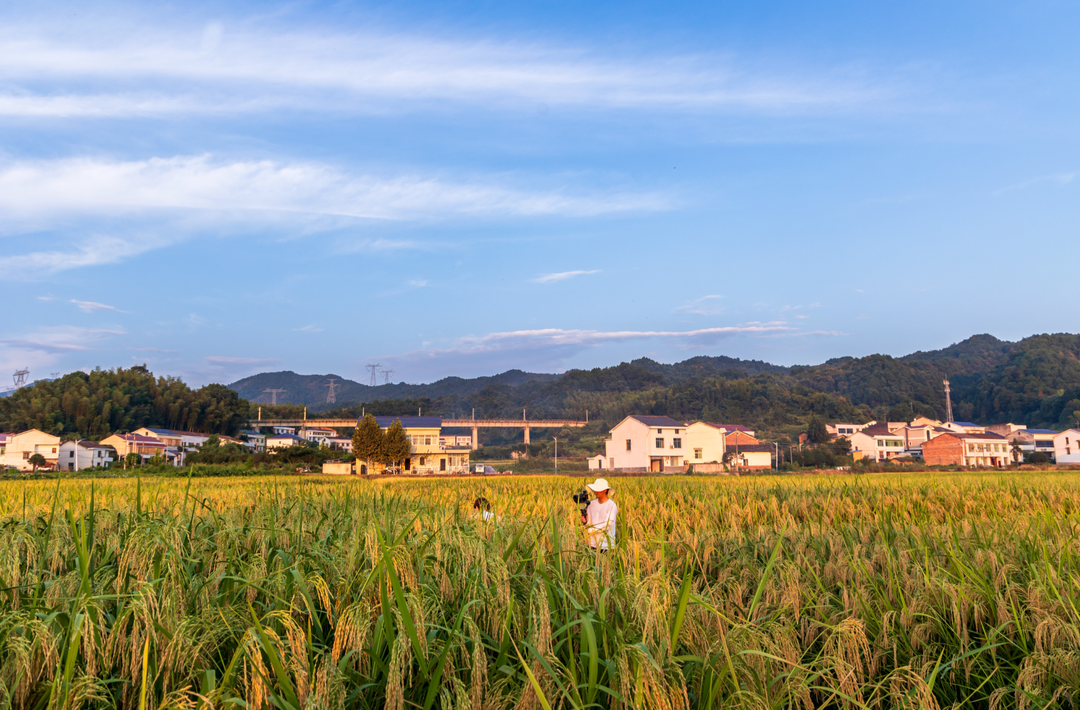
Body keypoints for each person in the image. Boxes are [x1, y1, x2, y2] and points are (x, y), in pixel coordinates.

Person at [582, 478, 618, 551]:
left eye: (598, 489)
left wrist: (590, 530)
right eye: (595, 489)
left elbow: (607, 525)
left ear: (605, 490)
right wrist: (584, 520)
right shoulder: (591, 504)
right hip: (592, 544)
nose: (595, 491)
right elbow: (587, 522)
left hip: (606, 545)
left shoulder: (611, 505)